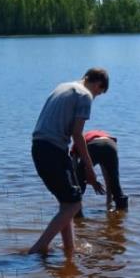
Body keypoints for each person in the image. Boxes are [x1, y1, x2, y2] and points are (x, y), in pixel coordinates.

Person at [28, 68, 109, 258]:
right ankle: (39, 247)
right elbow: (77, 135)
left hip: (39, 147)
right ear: (97, 84)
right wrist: (89, 169)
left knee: (67, 202)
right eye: (99, 92)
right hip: (52, 150)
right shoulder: (84, 95)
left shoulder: (63, 86)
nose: (95, 96)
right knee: (74, 205)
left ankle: (69, 249)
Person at [73, 129, 129, 213]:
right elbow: (107, 176)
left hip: (93, 146)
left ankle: (75, 210)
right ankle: (122, 212)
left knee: (78, 180)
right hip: (110, 145)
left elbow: (76, 171)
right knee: (114, 180)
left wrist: (88, 181)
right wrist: (108, 201)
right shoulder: (102, 135)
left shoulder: (77, 144)